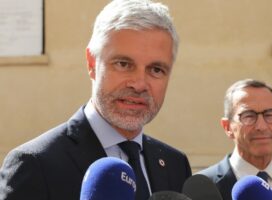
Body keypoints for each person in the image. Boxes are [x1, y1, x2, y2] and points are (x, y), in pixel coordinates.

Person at [0, 0, 192, 200]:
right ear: (91, 63)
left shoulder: (175, 164)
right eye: (124, 64)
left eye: (156, 69)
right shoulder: (35, 164)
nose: (139, 84)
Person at [197, 79, 272, 200]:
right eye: (248, 116)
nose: (261, 127)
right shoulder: (203, 189)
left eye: (269, 114)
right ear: (227, 127)